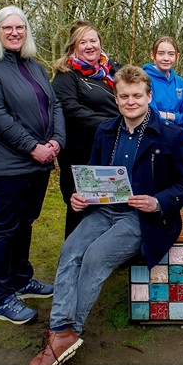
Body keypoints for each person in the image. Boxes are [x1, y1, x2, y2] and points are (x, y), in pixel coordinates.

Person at [28, 65, 183, 365]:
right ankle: (59, 330)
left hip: (142, 219)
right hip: (105, 211)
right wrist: (80, 197)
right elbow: (92, 178)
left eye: (137, 95)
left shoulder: (171, 135)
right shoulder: (106, 131)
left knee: (95, 257)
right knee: (70, 251)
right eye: (124, 96)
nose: (130, 101)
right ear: (116, 98)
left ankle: (70, 331)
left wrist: (157, 201)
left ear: (149, 96)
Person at [0, 5, 65, 325]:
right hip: (7, 166)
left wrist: (57, 142)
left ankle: (21, 280)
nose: (14, 33)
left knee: (25, 223)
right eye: (7, 28)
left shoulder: (35, 67)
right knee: (3, 229)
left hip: (38, 163)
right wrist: (33, 147)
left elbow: (55, 106)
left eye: (20, 28)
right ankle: (1, 297)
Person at [51, 22, 119, 237]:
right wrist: (111, 124)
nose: (90, 46)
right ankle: (73, 259)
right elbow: (71, 110)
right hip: (81, 151)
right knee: (81, 206)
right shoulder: (66, 75)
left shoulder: (113, 71)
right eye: (83, 42)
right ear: (73, 47)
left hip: (111, 149)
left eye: (93, 40)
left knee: (108, 204)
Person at [143, 35, 183, 125]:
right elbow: (152, 115)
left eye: (171, 54)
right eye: (161, 53)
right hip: (153, 133)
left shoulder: (179, 82)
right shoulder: (144, 79)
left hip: (176, 133)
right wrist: (178, 118)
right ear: (152, 55)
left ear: (177, 57)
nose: (166, 58)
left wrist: (170, 116)